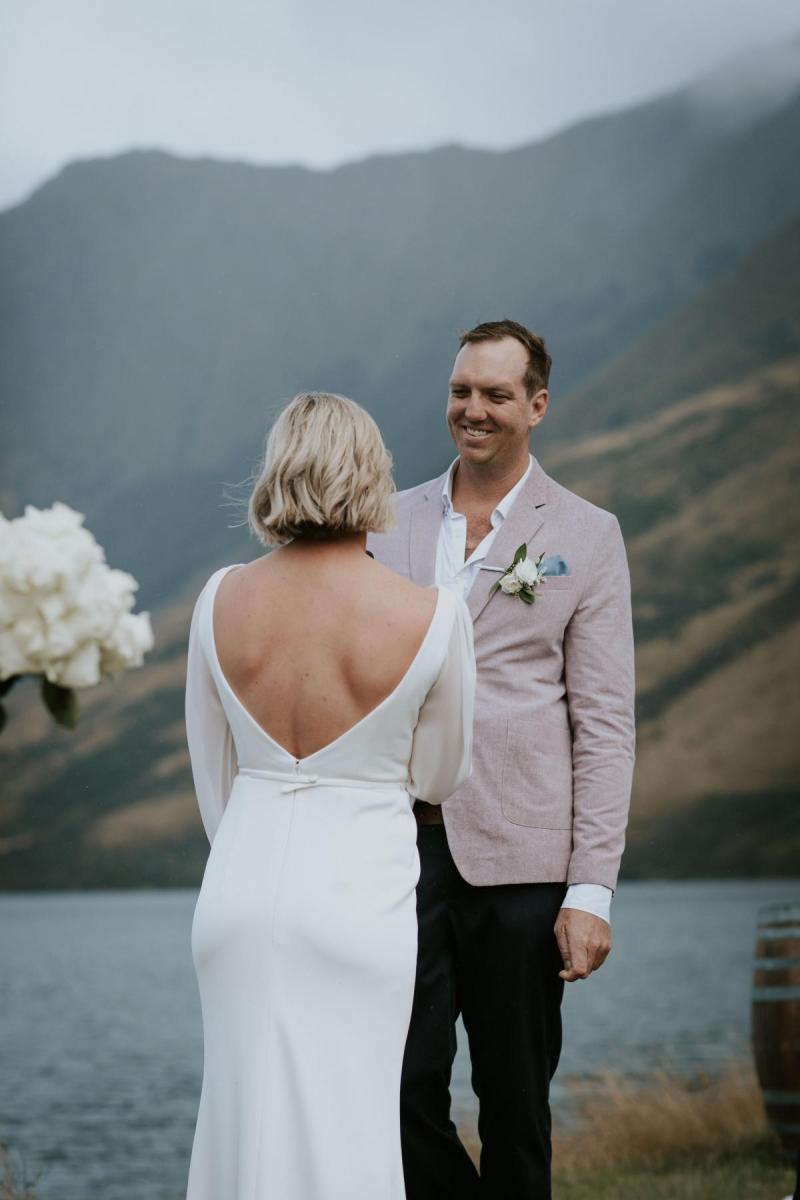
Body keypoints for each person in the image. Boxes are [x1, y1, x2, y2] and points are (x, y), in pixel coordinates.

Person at [183, 391, 476, 1200]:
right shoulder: (430, 616)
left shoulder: (219, 601)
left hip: (238, 892)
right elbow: (441, 774)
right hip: (362, 893)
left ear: (279, 473)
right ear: (371, 476)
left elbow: (215, 778)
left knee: (242, 1123)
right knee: (353, 1123)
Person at [368, 319, 636, 1199]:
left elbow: (603, 725)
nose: (471, 410)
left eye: (493, 394)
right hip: (399, 855)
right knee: (399, 1092)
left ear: (537, 405)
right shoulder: (383, 522)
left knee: (517, 1106)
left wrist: (589, 890)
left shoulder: (588, 536)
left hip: (526, 865)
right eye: (460, 391)